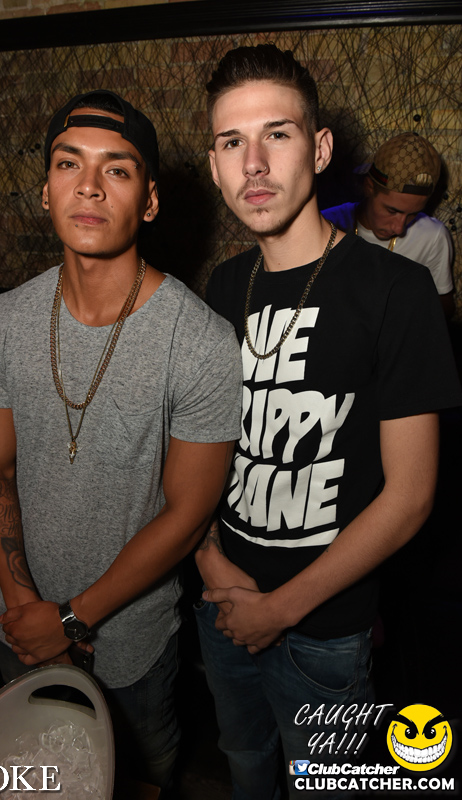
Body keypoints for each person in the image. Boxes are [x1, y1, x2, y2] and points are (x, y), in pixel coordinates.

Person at [194, 44, 461, 799]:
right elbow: (201, 451)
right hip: (221, 601)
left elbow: (410, 496)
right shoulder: (223, 285)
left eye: (276, 135)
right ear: (213, 165)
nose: (253, 164)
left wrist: (279, 610)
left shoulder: (397, 291)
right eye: (231, 142)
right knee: (244, 763)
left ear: (319, 149)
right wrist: (209, 559)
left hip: (325, 629)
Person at [0, 89, 242, 790]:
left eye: (116, 169)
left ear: (149, 201)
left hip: (129, 654)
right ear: (45, 190)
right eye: (69, 163)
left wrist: (69, 620)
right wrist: (26, 611)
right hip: (17, 630)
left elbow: (188, 513)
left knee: (136, 781)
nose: (88, 185)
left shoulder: (201, 342)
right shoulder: (4, 319)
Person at [322, 133, 455, 317]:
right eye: (392, 211)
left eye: (413, 214)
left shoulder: (433, 236)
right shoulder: (327, 223)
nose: (399, 228)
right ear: (369, 187)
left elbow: (444, 309)